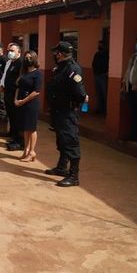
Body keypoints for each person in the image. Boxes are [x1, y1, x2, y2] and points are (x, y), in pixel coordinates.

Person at [46, 41, 88, 187]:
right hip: (58, 110)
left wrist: (82, 99)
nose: (54, 55)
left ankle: (74, 176)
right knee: (62, 139)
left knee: (70, 141)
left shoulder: (72, 68)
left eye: (56, 52)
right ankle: (62, 167)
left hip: (67, 111)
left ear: (60, 54)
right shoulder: (61, 67)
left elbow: (79, 91)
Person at [15, 51, 42, 162]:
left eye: (30, 58)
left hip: (31, 104)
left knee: (31, 128)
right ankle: (25, 150)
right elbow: (18, 87)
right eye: (26, 58)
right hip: (21, 102)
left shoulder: (38, 74)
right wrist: (16, 100)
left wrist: (23, 101)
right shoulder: (24, 72)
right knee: (25, 128)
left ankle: (32, 151)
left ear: (35, 59)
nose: (28, 60)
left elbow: (36, 91)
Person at [0, 43, 24, 151]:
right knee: (10, 114)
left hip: (15, 94)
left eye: (12, 50)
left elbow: (20, 79)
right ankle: (12, 134)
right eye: (9, 50)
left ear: (19, 52)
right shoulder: (10, 62)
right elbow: (5, 75)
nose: (10, 52)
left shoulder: (21, 63)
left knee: (17, 117)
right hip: (7, 92)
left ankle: (19, 140)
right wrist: (2, 84)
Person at [92, 41, 109, 114]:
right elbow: (93, 63)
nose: (99, 46)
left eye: (101, 45)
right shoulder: (97, 54)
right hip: (97, 75)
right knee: (98, 93)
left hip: (103, 75)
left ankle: (106, 110)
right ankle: (100, 109)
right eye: (99, 45)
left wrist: (106, 73)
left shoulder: (107, 54)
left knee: (104, 93)